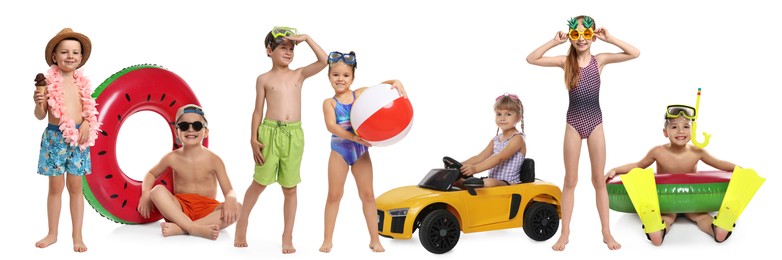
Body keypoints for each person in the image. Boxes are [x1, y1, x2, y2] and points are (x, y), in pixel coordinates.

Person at [526, 15, 640, 251]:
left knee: (599, 180)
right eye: (576, 34)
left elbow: (634, 53)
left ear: (592, 36)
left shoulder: (600, 60)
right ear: (570, 36)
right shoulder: (565, 62)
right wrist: (553, 42)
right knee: (570, 180)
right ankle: (565, 233)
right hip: (573, 124)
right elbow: (531, 58)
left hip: (595, 123)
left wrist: (610, 38)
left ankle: (606, 232)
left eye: (586, 34)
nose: (581, 39)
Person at [234, 26, 328, 254]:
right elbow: (257, 110)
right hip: (269, 134)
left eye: (291, 49)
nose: (288, 52)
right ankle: (242, 224)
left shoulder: (299, 74)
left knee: (290, 188)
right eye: (283, 48)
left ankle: (287, 236)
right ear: (269, 50)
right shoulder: (263, 79)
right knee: (259, 183)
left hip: (293, 136)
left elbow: (324, 61)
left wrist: (306, 38)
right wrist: (252, 138)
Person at [605, 105, 739, 246]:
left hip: (673, 200)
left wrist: (737, 168)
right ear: (665, 132)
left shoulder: (698, 151)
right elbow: (638, 166)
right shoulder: (658, 151)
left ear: (693, 130)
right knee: (700, 216)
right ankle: (716, 228)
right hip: (687, 201)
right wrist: (616, 170)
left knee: (667, 217)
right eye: (674, 127)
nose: (681, 131)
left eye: (686, 126)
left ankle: (657, 230)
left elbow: (719, 163)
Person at [318, 51, 407, 253]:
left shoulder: (360, 94)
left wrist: (397, 81)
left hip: (361, 153)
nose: (340, 79)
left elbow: (382, 90)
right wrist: (354, 138)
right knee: (334, 195)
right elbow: (332, 127)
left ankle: (374, 240)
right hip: (339, 152)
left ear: (353, 78)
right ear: (329, 77)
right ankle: (327, 239)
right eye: (336, 75)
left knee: (368, 195)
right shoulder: (329, 103)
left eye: (346, 75)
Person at [33, 28, 101, 253]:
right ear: (54, 56)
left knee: (76, 188)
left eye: (75, 52)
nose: (70, 56)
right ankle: (52, 233)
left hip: (78, 141)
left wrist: (87, 124)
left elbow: (89, 113)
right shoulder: (49, 82)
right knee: (55, 187)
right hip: (55, 139)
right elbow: (41, 115)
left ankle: (77, 236)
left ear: (81, 58)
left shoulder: (82, 84)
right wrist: (38, 102)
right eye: (64, 52)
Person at [137, 104, 241, 240]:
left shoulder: (214, 160)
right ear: (177, 132)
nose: (191, 130)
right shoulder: (172, 157)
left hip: (208, 209)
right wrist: (145, 194)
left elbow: (228, 190)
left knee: (239, 208)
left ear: (206, 132)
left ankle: (181, 228)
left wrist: (231, 198)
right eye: (184, 126)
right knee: (156, 191)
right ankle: (193, 228)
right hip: (180, 208)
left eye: (197, 126)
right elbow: (151, 174)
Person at [455, 93, 527, 188]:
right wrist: (459, 165)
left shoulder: (517, 138)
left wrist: (475, 168)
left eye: (508, 114)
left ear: (519, 117)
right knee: (455, 180)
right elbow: (480, 157)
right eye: (499, 114)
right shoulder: (496, 139)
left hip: (509, 183)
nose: (502, 118)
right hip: (493, 180)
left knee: (488, 183)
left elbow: (499, 158)